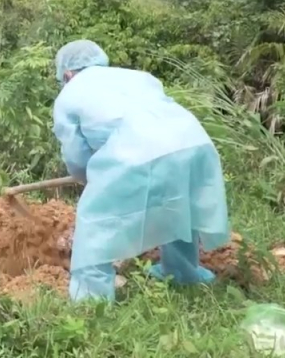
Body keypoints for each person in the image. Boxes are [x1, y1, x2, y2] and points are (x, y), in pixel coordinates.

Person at [51, 39, 230, 302]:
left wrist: (88, 178)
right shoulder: (137, 77)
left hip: (136, 150)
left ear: (67, 74)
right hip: (192, 142)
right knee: (179, 205)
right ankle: (183, 272)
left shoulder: (69, 94)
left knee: (94, 221)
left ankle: (91, 300)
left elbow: (77, 158)